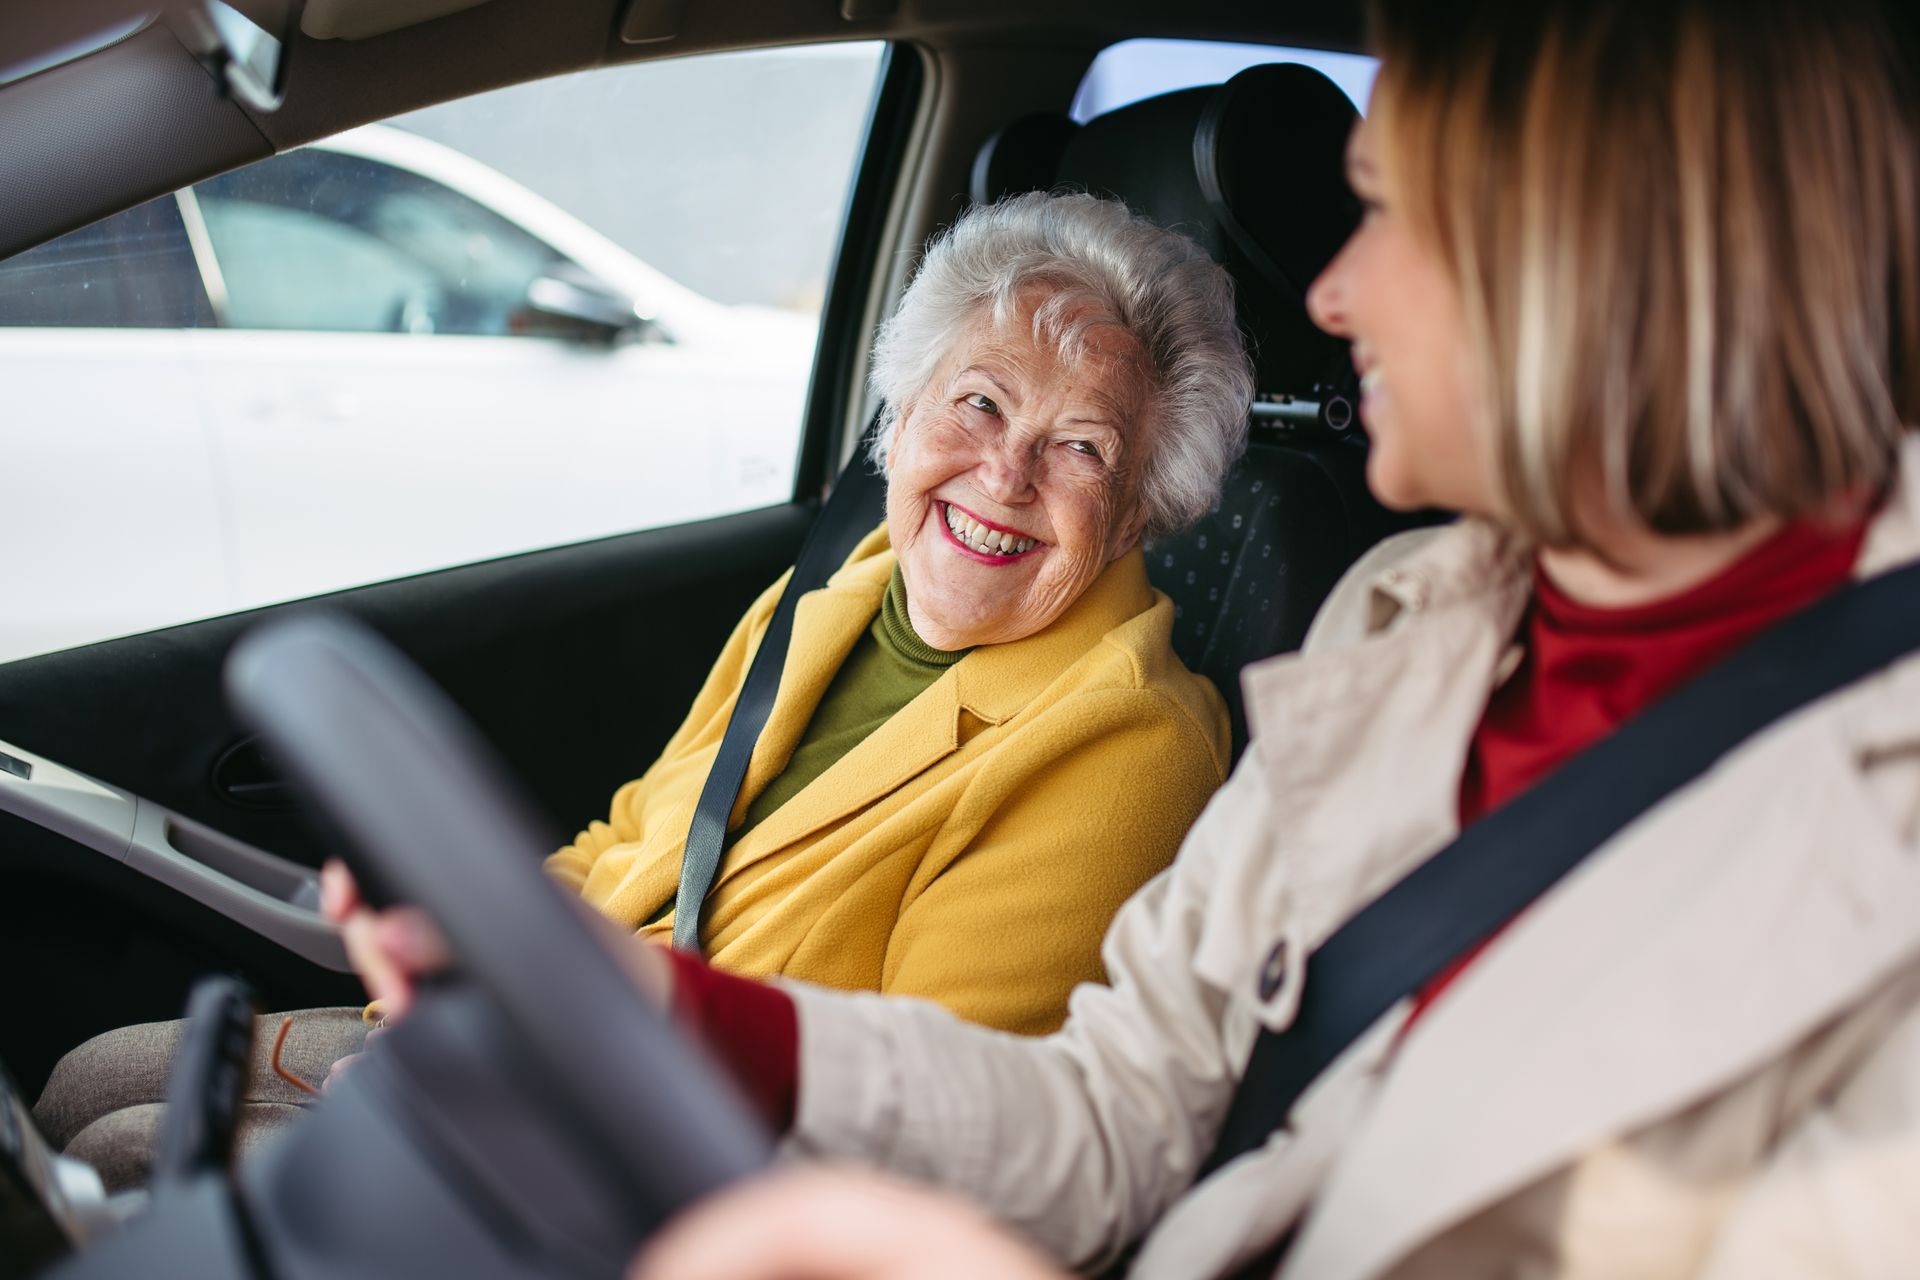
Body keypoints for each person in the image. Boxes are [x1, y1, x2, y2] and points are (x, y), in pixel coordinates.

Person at [442, 0, 1920, 1274]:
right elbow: (1117, 1115)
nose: (1333, 298)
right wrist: (655, 1003)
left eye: (1389, 217)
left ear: (1594, 277)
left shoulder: (1884, 822)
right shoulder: (1404, 634)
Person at [33, 190, 1253, 1188]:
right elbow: (635, 835)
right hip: (566, 1029)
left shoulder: (1127, 742)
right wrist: (474, 985)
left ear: (1146, 502)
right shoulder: (834, 597)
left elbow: (934, 1130)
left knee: (131, 1162)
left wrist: (519, 1087)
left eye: (1080, 446)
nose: (1003, 471)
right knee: (89, 1077)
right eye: (978, 401)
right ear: (907, 405)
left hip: (703, 1157)